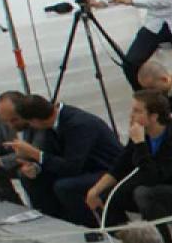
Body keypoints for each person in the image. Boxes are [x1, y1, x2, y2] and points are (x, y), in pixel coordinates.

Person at [85, 89, 172, 243]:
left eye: (137, 111)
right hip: (159, 186)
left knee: (144, 194)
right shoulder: (142, 134)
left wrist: (140, 145)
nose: (131, 116)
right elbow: (121, 166)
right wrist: (96, 190)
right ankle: (128, 242)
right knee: (109, 195)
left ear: (154, 116)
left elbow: (152, 176)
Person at [10, 94, 122, 222]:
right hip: (83, 167)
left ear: (35, 121)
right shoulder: (50, 123)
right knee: (33, 178)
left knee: (64, 186)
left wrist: (34, 153)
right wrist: (35, 168)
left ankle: (93, 225)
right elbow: (52, 155)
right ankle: (53, 222)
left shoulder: (78, 124)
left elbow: (71, 167)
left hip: (107, 169)